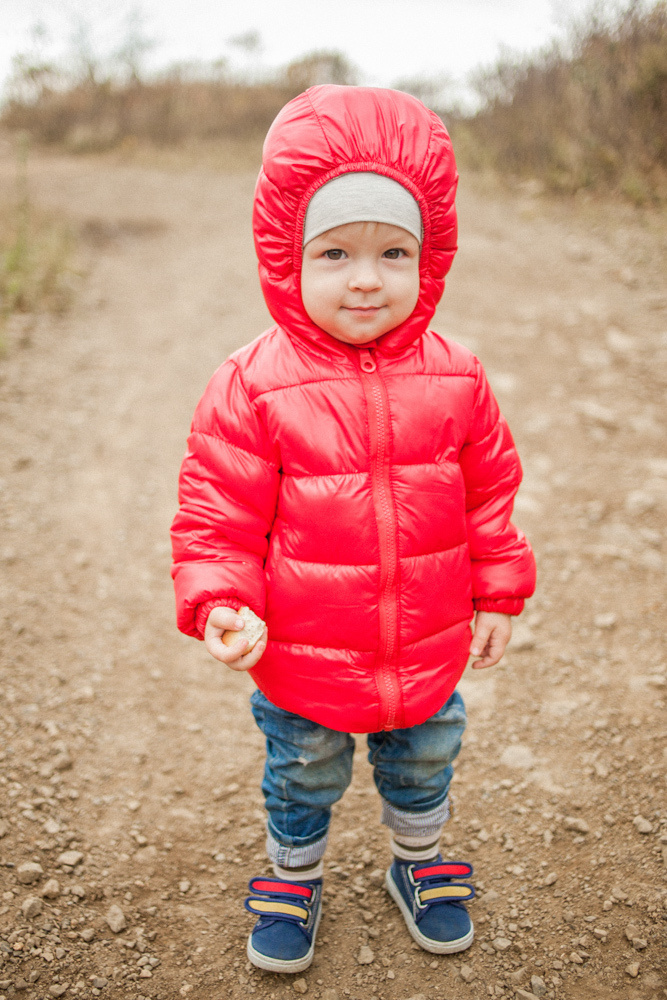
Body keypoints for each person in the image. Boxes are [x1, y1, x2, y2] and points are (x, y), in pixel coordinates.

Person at [171, 85, 536, 975]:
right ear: (285, 255)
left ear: (429, 257)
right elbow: (216, 515)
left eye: (392, 251)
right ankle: (294, 872)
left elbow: (490, 492)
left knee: (424, 760)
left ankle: (417, 862)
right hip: (300, 651)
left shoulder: (456, 375)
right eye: (333, 252)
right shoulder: (252, 383)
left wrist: (496, 591)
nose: (365, 277)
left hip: (427, 640)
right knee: (303, 770)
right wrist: (220, 599)